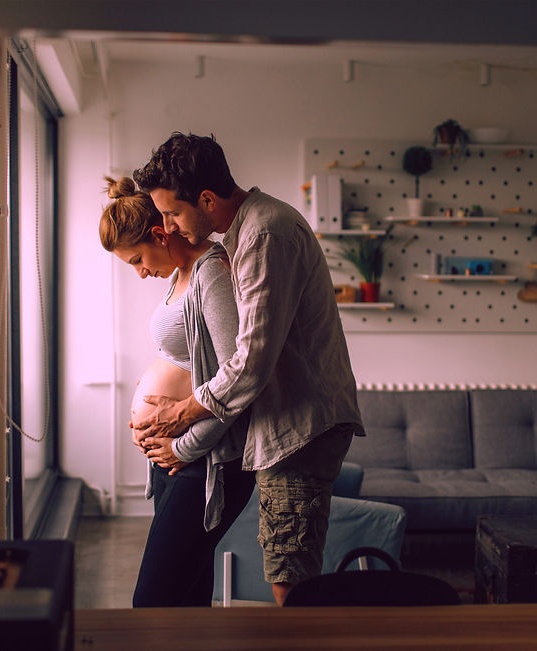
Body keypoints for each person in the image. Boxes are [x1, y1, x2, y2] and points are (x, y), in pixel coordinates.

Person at [131, 133, 363, 606]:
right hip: (284, 424)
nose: (169, 227)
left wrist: (181, 416)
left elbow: (250, 362)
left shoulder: (264, 234)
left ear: (207, 199)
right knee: (281, 570)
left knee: (290, 578)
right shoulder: (249, 231)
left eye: (173, 213)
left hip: (299, 428)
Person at [98, 176, 254, 607]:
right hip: (175, 457)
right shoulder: (180, 273)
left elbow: (236, 381)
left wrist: (184, 447)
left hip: (203, 460)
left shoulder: (211, 273)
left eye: (137, 259)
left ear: (158, 234)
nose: (140, 271)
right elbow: (182, 357)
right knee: (187, 593)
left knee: (153, 600)